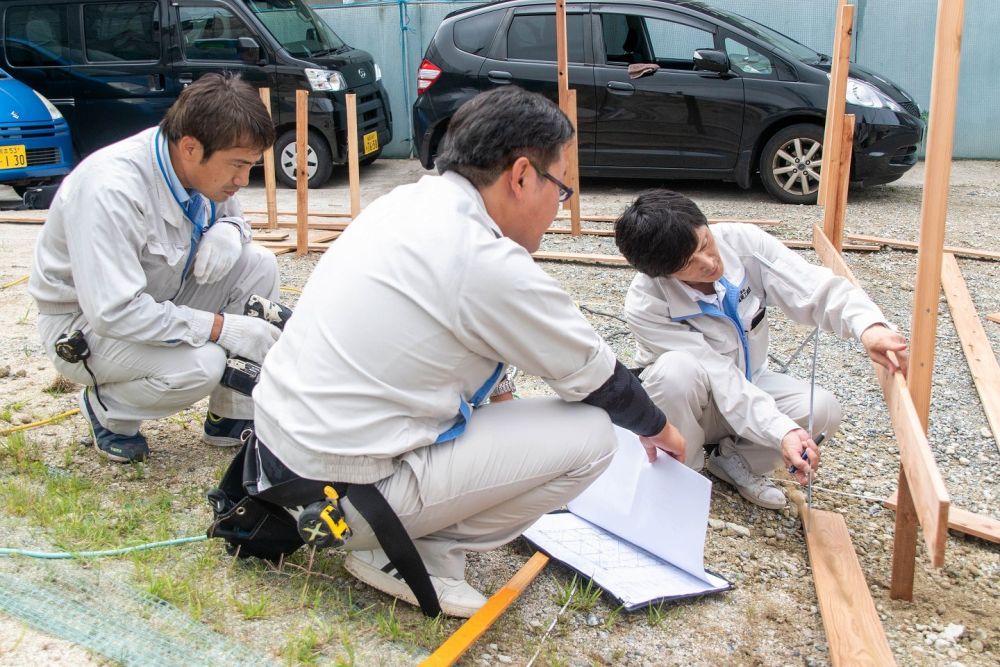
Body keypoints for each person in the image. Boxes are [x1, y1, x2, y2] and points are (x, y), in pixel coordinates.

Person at [246, 87, 686, 618]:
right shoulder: (484, 259)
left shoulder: (405, 202)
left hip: (278, 460)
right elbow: (600, 379)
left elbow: (447, 339)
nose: (559, 205)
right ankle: (410, 552)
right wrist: (662, 430)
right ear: (522, 176)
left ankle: (404, 535)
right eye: (561, 187)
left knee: (510, 410)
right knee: (591, 437)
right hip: (340, 498)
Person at [29, 73, 281, 464]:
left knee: (258, 263)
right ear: (191, 147)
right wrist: (222, 328)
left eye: (250, 166)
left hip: (160, 294)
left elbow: (233, 215)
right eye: (237, 165)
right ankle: (109, 411)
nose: (242, 180)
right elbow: (115, 311)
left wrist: (230, 229)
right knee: (203, 365)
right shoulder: (111, 191)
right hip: (88, 327)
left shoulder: (192, 162)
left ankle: (230, 415)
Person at [614, 189, 908, 510]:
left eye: (704, 244)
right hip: (690, 403)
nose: (709, 262)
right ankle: (684, 475)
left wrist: (869, 327)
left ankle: (735, 461)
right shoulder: (648, 303)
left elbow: (811, 287)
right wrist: (780, 431)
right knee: (677, 373)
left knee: (822, 410)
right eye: (688, 264)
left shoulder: (745, 243)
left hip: (750, 381)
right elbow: (720, 377)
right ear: (663, 274)